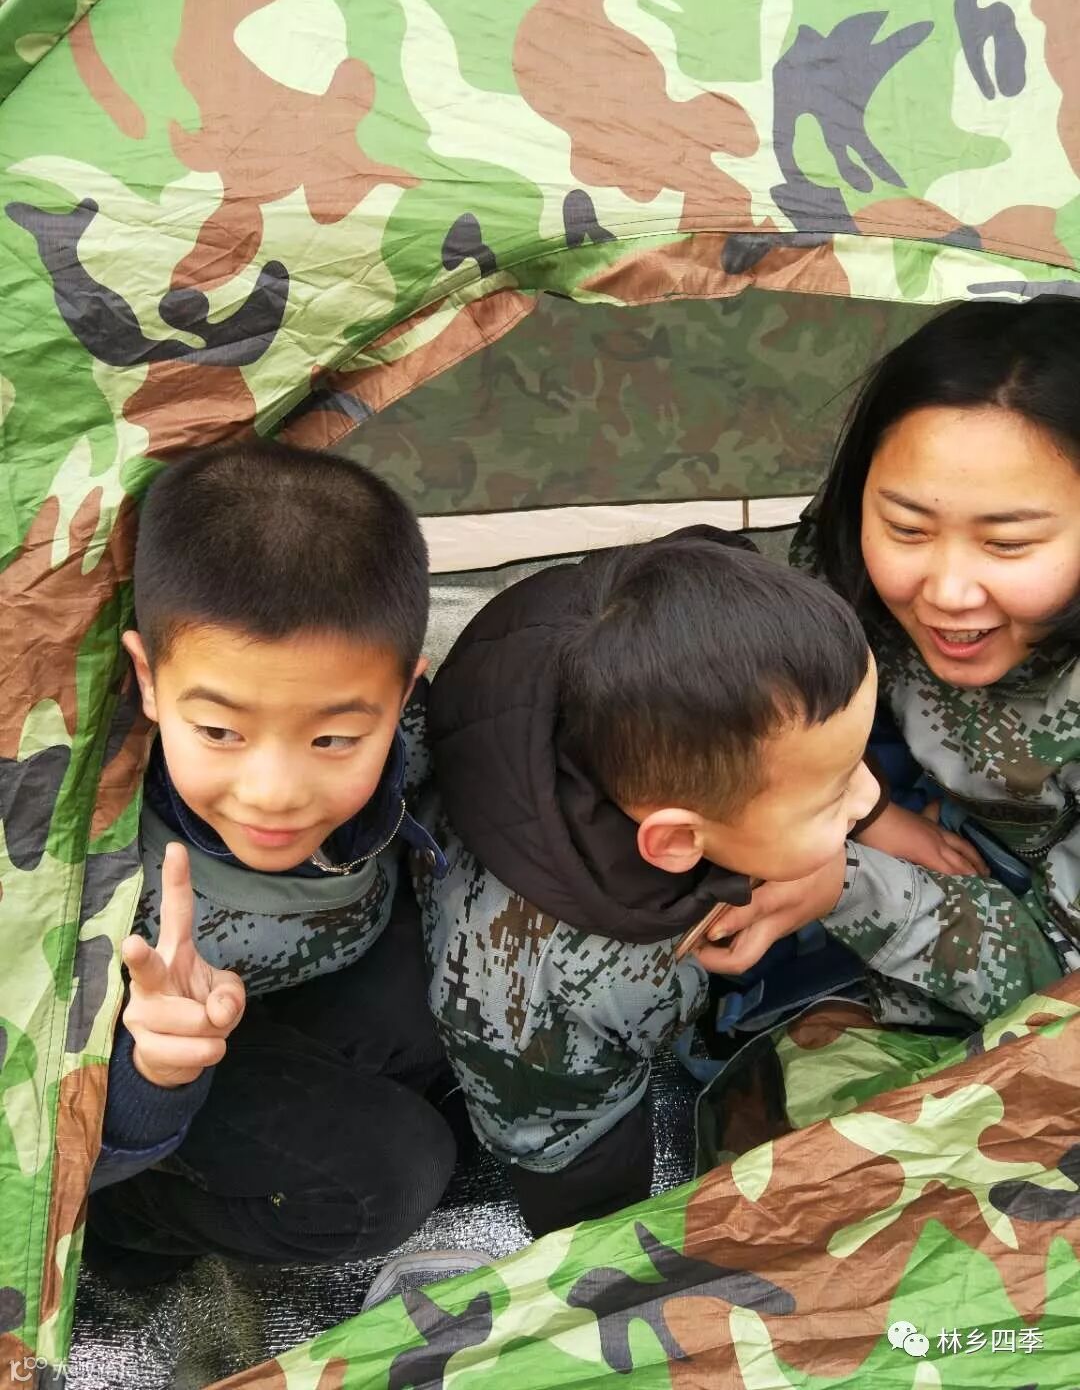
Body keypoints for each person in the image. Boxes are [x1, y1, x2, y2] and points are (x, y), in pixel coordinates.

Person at [415, 528, 883, 1234]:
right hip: (540, 1062)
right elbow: (556, 1137)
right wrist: (603, 1236)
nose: (867, 795)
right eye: (836, 793)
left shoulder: (656, 633)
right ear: (677, 842)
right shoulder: (546, 987)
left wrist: (840, 837)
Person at [85, 440, 457, 1286]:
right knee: (394, 1175)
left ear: (403, 695)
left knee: (448, 991)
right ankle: (124, 1232)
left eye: (334, 738)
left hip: (290, 989)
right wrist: (155, 1072)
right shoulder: (80, 860)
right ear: (148, 679)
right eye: (221, 731)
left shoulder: (417, 735)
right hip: (139, 1070)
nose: (275, 792)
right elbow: (32, 1146)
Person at [726, 298, 1080, 1029]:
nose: (947, 593)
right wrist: (867, 809)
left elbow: (1061, 1004)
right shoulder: (845, 566)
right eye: (908, 528)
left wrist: (845, 886)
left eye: (1008, 544)